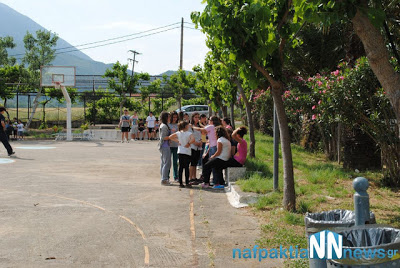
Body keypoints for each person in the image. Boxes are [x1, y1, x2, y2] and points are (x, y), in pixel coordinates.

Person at [192, 116, 221, 185]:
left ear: (212, 121)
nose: (208, 121)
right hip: (214, 146)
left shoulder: (211, 126)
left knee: (211, 163)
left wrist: (192, 127)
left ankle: (214, 181)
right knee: (213, 163)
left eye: (209, 120)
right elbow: (204, 128)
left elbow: (201, 129)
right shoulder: (215, 127)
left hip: (212, 147)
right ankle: (214, 179)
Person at [169, 121, 194, 188]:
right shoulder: (189, 133)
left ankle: (180, 183)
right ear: (185, 126)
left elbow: (170, 137)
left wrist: (178, 141)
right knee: (186, 167)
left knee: (180, 167)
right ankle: (187, 182)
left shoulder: (178, 133)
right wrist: (189, 143)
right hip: (187, 152)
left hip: (180, 151)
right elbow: (193, 140)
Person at [158, 111, 172, 186]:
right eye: (169, 117)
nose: (170, 118)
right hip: (164, 146)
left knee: (164, 163)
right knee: (167, 163)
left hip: (165, 145)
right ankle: (164, 179)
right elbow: (163, 137)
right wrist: (171, 137)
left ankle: (164, 178)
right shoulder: (164, 126)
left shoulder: (164, 125)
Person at [188, 113, 202, 184]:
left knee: (195, 163)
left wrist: (200, 142)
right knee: (192, 163)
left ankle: (194, 177)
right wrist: (195, 143)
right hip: (193, 146)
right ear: (192, 118)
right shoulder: (190, 126)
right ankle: (190, 178)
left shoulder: (199, 126)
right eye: (195, 117)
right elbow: (190, 136)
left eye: (198, 117)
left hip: (198, 147)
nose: (197, 119)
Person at [168, 112, 179, 182]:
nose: (175, 119)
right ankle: (167, 176)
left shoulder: (178, 125)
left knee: (175, 162)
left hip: (176, 145)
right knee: (168, 162)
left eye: (176, 117)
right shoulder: (168, 125)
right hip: (169, 146)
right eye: (173, 117)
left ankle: (176, 176)